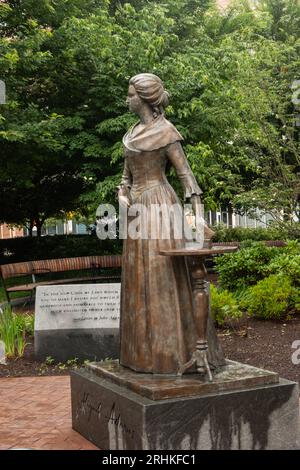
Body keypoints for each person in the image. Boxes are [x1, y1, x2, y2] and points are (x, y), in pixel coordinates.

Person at [118, 73, 224, 374]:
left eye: (130, 95)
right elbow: (125, 177)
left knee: (163, 274)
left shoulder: (166, 131)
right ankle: (143, 356)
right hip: (137, 212)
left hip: (161, 206)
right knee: (140, 277)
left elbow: (187, 178)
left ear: (145, 98)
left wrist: (199, 224)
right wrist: (122, 193)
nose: (127, 100)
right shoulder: (131, 132)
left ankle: (175, 353)